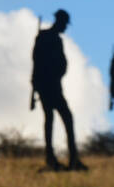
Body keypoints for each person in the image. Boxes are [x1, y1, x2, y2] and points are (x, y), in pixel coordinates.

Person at [32, 9, 87, 172]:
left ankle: (62, 159)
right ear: (60, 22)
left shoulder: (47, 38)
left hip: (49, 85)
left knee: (52, 120)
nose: (65, 27)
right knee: (62, 119)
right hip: (49, 86)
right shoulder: (48, 38)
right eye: (65, 24)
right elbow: (38, 62)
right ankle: (64, 160)